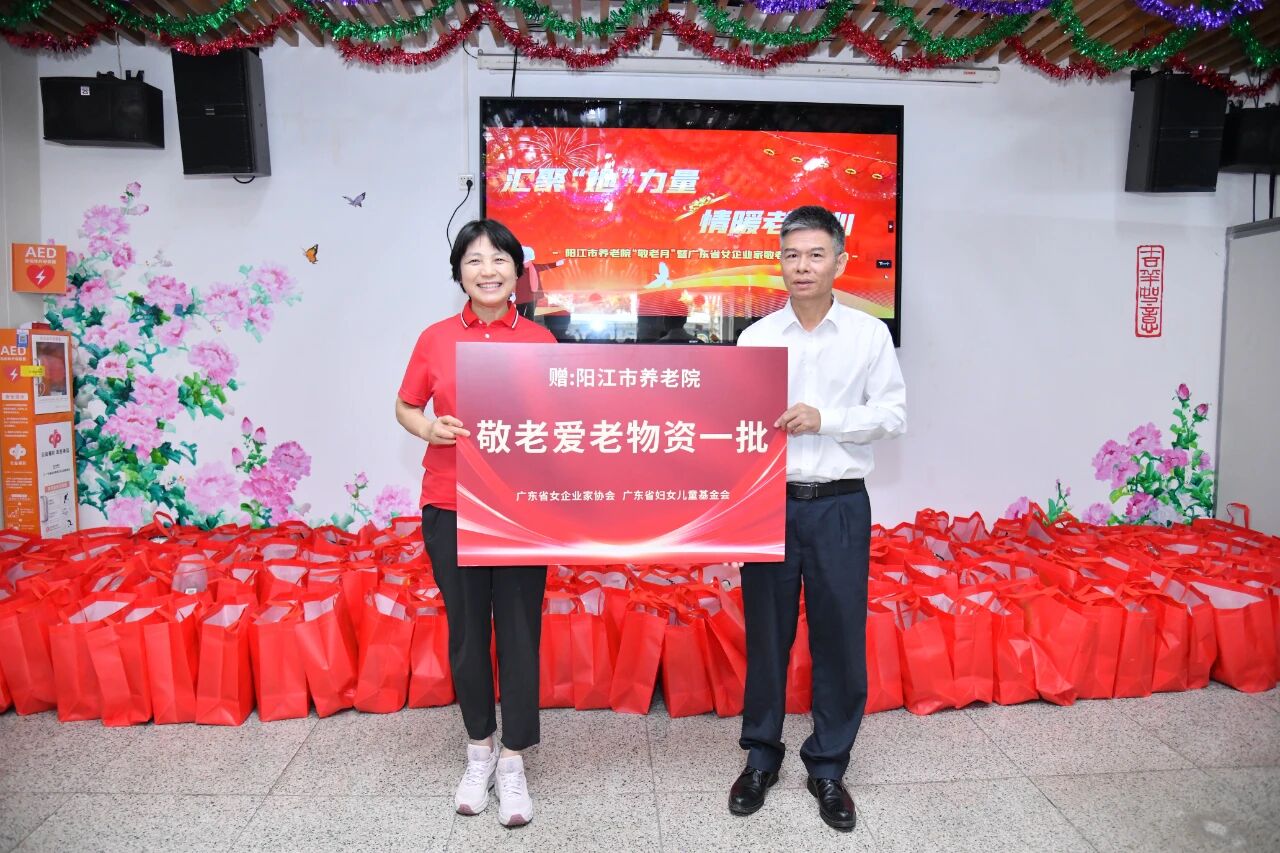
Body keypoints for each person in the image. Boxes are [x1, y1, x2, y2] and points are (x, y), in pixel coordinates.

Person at [729, 206, 906, 832]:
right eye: (791, 255)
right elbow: (735, 428)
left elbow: (893, 416)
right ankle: (760, 757)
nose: (801, 266)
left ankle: (828, 766)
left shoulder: (868, 335)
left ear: (839, 261)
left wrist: (826, 419)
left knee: (839, 638)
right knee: (766, 637)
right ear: (779, 263)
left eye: (814, 254)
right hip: (768, 505)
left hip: (839, 505)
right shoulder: (755, 339)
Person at [395, 219, 556, 828]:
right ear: (458, 272)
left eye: (499, 260)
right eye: (474, 260)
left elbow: (564, 421)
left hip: (519, 510)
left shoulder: (541, 341)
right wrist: (428, 427)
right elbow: (406, 405)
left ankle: (513, 760)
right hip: (452, 503)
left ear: (517, 271)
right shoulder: (435, 339)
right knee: (466, 633)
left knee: (518, 631)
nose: (488, 271)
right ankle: (479, 750)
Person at [514, 247, 567, 319]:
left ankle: (528, 325)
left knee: (530, 314)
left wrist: (556, 263)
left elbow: (545, 266)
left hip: (532, 295)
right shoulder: (515, 269)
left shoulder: (533, 267)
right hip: (521, 295)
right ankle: (520, 325)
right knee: (520, 314)